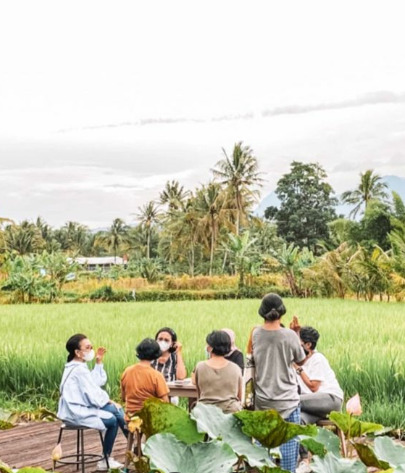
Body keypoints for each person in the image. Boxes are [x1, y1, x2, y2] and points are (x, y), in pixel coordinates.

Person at [246, 293, 306, 473]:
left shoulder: (255, 333)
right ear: (281, 313)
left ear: (262, 312)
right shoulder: (289, 335)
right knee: (288, 454)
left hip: (263, 401)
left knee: (263, 452)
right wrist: (295, 334)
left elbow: (250, 357)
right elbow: (301, 360)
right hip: (288, 400)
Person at [57, 334, 126, 471]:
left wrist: (98, 362)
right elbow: (92, 395)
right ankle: (107, 458)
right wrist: (109, 401)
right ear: (77, 352)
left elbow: (94, 383)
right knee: (113, 417)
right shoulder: (79, 370)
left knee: (116, 411)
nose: (91, 350)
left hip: (76, 409)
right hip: (76, 412)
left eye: (91, 347)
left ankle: (130, 445)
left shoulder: (76, 366)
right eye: (87, 348)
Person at [297, 326, 343, 424]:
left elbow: (314, 387)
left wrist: (298, 369)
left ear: (308, 344)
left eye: (298, 343)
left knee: (289, 400)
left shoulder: (317, 358)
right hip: (312, 406)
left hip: (330, 400)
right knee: (298, 419)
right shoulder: (298, 361)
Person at [194, 330, 242, 414]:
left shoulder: (200, 367)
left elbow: (199, 393)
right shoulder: (236, 368)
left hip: (205, 414)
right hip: (230, 413)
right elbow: (239, 396)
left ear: (210, 347)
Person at [121, 338, 170, 416]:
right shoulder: (156, 375)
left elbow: (123, 398)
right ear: (156, 355)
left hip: (130, 419)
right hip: (150, 420)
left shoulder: (127, 371)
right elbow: (166, 403)